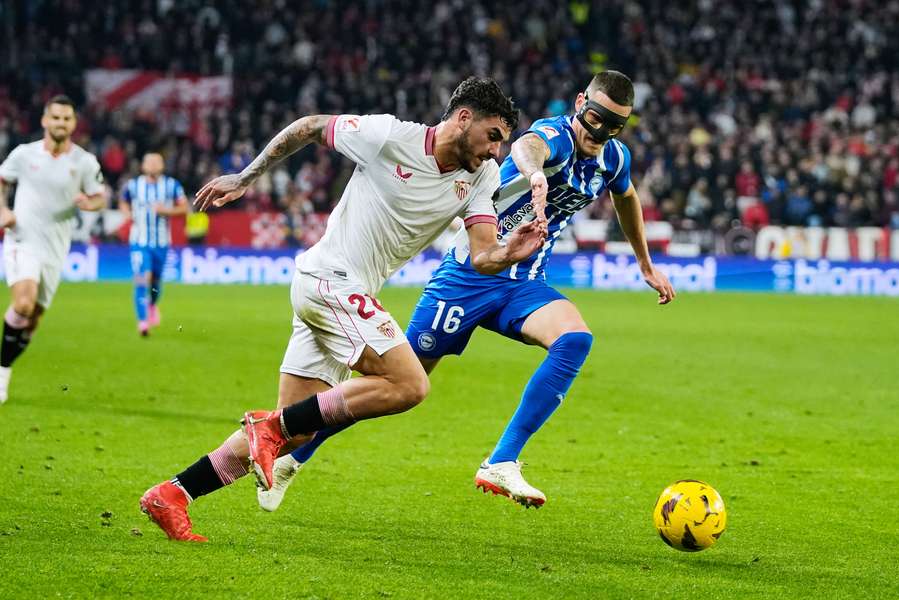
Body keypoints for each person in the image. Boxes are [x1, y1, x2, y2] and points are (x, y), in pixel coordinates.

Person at [139, 77, 546, 541]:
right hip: (329, 279)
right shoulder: (390, 136)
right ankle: (267, 428)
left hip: (343, 293)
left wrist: (510, 252)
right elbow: (310, 126)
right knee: (410, 384)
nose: (497, 151)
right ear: (464, 117)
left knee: (297, 431)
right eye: (493, 136)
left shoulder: (482, 177)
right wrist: (245, 177)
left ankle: (174, 493)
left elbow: (482, 255)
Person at [259, 71, 675, 511]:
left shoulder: (613, 158)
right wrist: (534, 174)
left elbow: (626, 197)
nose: (600, 132)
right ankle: (294, 457)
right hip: (467, 278)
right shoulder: (555, 136)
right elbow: (526, 147)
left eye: (614, 126)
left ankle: (502, 460)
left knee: (574, 339)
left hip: (523, 281)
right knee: (393, 385)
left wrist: (645, 264)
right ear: (579, 104)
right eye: (595, 118)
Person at [0, 95, 106, 404]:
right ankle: (2, 371)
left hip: (55, 247)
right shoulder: (24, 154)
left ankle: (6, 362)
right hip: (23, 238)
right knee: (22, 304)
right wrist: (3, 211)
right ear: (45, 120)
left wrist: (91, 203)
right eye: (55, 117)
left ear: (73, 123)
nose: (60, 123)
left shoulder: (84, 162)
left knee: (32, 320)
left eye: (66, 118)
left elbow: (100, 196)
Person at [119, 153, 188, 336]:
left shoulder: (172, 185)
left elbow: (184, 208)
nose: (152, 165)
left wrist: (165, 210)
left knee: (155, 281)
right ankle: (142, 322)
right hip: (139, 242)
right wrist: (127, 213)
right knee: (142, 278)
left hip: (162, 242)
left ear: (162, 166)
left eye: (156, 161)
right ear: (143, 166)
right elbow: (123, 201)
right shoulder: (133, 185)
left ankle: (152, 305)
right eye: (149, 161)